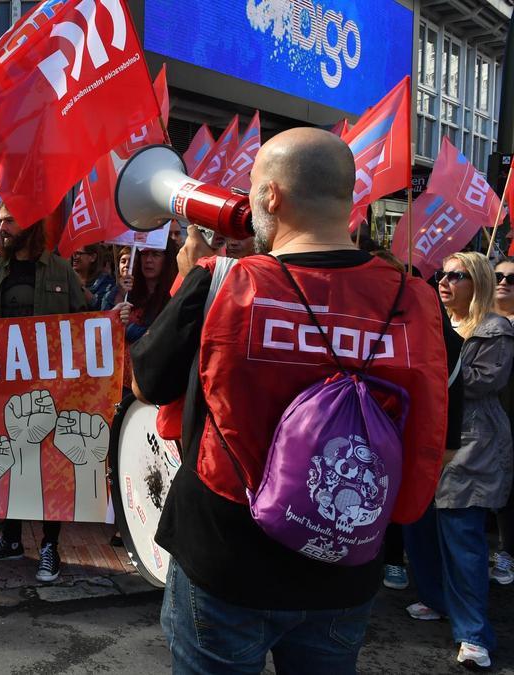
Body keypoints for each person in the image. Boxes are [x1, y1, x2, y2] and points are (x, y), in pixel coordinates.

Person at [130, 128, 448, 673]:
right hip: (344, 562)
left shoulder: (223, 281)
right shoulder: (413, 298)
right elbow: (433, 426)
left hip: (226, 560)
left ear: (271, 196)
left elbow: (146, 384)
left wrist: (190, 282)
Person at [0, 203, 87, 583]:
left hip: (52, 386)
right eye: (0, 219)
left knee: (51, 466)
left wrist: (118, 317)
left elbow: (86, 319)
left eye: (10, 220)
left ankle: (50, 545)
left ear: (31, 224)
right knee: (13, 460)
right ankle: (11, 539)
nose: (2, 226)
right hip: (8, 384)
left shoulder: (60, 269)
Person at [403, 252, 512, 669]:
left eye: (456, 275)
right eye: (441, 274)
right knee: (419, 525)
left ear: (478, 282)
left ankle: (474, 635)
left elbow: (480, 382)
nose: (444, 282)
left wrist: (433, 358)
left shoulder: (493, 329)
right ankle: (436, 599)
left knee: (462, 538)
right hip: (426, 436)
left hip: (471, 443)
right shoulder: (435, 323)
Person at [493, 258, 514, 586]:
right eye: (498, 276)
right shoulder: (475, 321)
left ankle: (507, 551)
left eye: (511, 278)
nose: (503, 282)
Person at [71, 243, 115, 311]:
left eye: (79, 253)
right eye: (74, 253)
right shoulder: (67, 278)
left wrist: (80, 286)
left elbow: (101, 307)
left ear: (93, 257)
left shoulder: (106, 281)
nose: (74, 257)